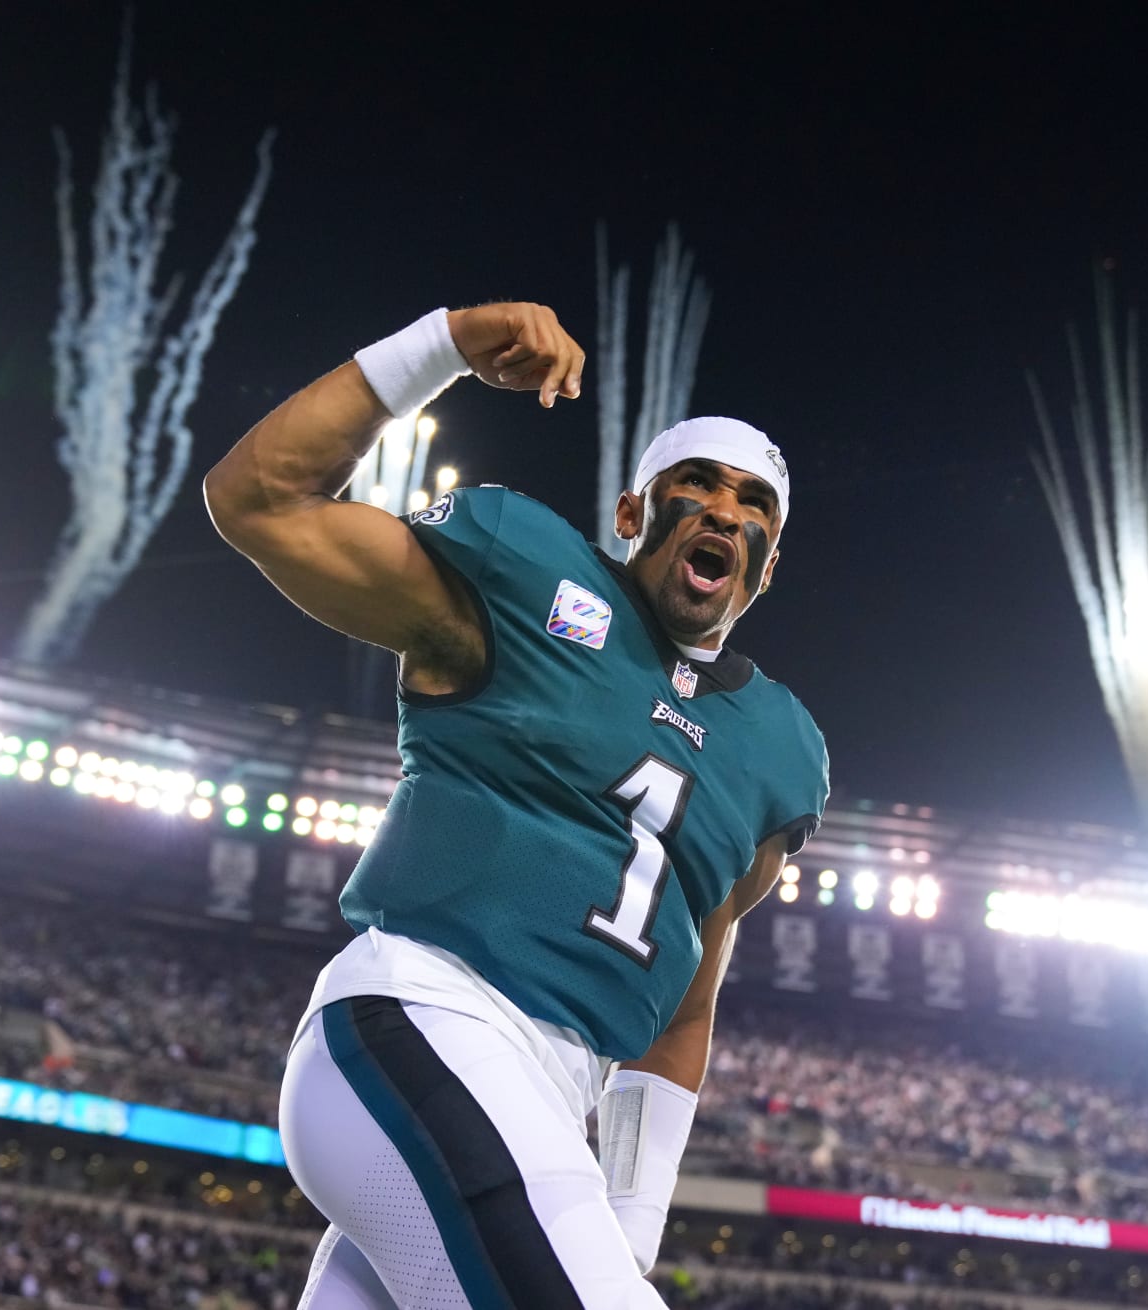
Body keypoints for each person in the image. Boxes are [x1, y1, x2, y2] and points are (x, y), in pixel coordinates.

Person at [204, 302, 828, 1308]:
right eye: (695, 485)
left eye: (752, 501)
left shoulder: (779, 751)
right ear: (632, 516)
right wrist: (441, 346)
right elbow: (257, 500)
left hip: (540, 1103)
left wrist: (627, 1228)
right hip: (420, 1016)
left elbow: (682, 1009)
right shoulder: (527, 578)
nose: (722, 510)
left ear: (766, 561)